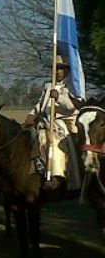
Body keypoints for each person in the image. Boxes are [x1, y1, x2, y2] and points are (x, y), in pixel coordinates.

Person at [24, 55, 83, 190]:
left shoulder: (72, 85)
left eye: (60, 69)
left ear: (66, 70)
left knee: (54, 140)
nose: (57, 72)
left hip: (65, 122)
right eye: (55, 69)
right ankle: (36, 167)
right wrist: (32, 114)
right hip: (46, 120)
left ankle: (57, 175)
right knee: (31, 136)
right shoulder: (48, 85)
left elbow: (72, 106)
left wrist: (59, 97)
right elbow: (41, 104)